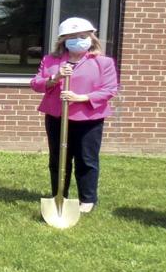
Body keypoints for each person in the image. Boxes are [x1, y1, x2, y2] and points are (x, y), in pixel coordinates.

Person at [29, 17, 118, 213]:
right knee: (58, 158)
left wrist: (81, 98)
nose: (79, 39)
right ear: (63, 40)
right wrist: (55, 77)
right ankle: (59, 195)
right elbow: (36, 84)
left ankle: (88, 199)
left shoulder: (103, 62)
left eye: (83, 36)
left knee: (86, 158)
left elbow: (110, 89)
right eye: (73, 36)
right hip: (57, 117)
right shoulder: (51, 61)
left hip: (88, 119)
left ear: (91, 38)